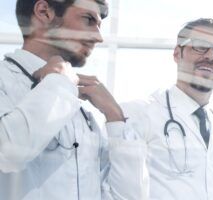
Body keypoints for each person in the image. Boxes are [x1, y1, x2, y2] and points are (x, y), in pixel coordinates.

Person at [0, 0, 128, 199]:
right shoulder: (6, 79)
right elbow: (7, 153)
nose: (99, 37)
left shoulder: (82, 109)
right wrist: (60, 80)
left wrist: (115, 117)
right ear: (44, 12)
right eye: (88, 19)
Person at [106, 18, 213, 200]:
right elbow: (120, 193)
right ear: (177, 54)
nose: (211, 56)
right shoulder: (136, 114)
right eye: (200, 46)